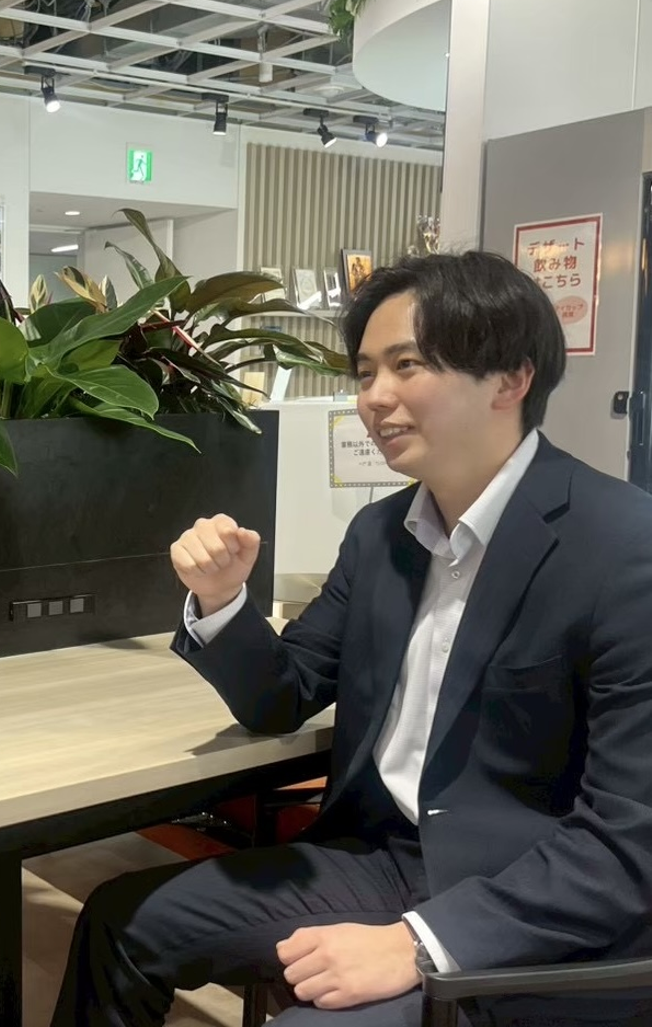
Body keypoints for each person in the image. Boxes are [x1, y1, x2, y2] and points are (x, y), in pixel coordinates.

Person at [51, 251, 652, 1026]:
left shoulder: (623, 546)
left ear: (511, 379)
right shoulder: (381, 534)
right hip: (382, 856)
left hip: (526, 909)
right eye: (365, 372)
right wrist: (223, 600)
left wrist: (419, 942)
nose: (374, 397)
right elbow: (284, 695)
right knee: (121, 921)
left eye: (407, 365)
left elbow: (627, 841)